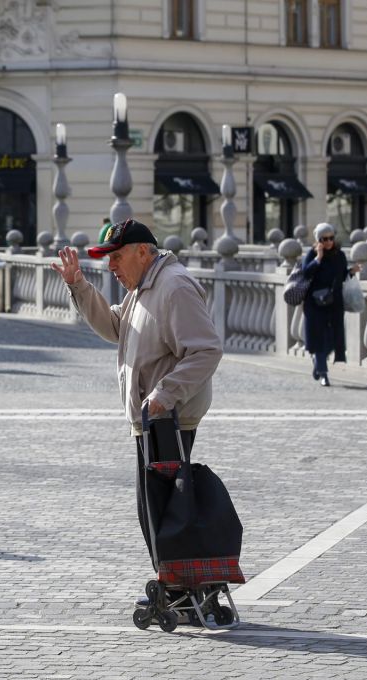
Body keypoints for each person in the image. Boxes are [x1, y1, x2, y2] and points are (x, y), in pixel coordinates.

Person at [50, 219, 222, 601]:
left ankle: (180, 589)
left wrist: (165, 393)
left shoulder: (173, 287)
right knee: (154, 508)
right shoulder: (144, 286)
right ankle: (177, 584)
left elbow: (206, 350)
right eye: (107, 258)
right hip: (153, 419)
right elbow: (117, 327)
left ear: (143, 251)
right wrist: (78, 284)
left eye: (117, 256)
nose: (111, 266)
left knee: (164, 509)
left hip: (169, 418)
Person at [301, 222, 361, 387]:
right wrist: (318, 259)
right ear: (318, 240)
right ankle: (323, 373)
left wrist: (351, 271)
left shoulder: (339, 255)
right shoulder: (312, 254)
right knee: (319, 338)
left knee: (334, 339)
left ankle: (317, 363)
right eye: (324, 239)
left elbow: (340, 276)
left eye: (331, 238)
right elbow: (305, 273)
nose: (328, 242)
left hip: (334, 303)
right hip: (314, 303)